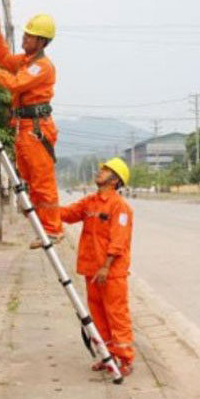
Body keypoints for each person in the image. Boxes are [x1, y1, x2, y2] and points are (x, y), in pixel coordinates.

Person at [0, 14, 62, 249]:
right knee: (31, 180)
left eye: (29, 36)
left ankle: (53, 229)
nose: (24, 38)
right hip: (24, 128)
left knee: (42, 182)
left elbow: (14, 84)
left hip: (36, 129)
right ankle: (43, 227)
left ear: (41, 41)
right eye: (25, 34)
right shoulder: (26, 61)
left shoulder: (42, 66)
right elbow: (4, 59)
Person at [59, 157, 135, 376]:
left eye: (105, 170)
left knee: (116, 315)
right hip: (91, 270)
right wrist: (42, 207)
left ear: (115, 180)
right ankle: (106, 355)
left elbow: (118, 241)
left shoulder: (120, 207)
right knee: (98, 316)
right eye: (102, 169)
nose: (100, 172)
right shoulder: (90, 202)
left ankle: (125, 359)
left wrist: (106, 267)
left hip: (111, 273)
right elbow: (68, 214)